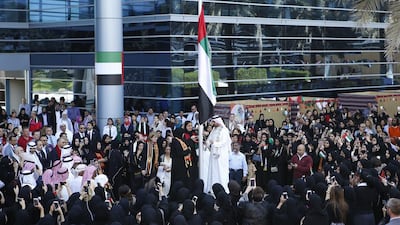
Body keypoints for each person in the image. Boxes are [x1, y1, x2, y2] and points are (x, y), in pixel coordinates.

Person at [205, 115, 231, 194]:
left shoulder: (224, 130)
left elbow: (224, 142)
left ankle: (223, 189)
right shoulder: (214, 130)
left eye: (214, 122)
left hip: (221, 155)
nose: (213, 124)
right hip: (213, 155)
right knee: (213, 171)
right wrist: (207, 143)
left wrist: (214, 143)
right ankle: (212, 189)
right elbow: (209, 140)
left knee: (221, 172)